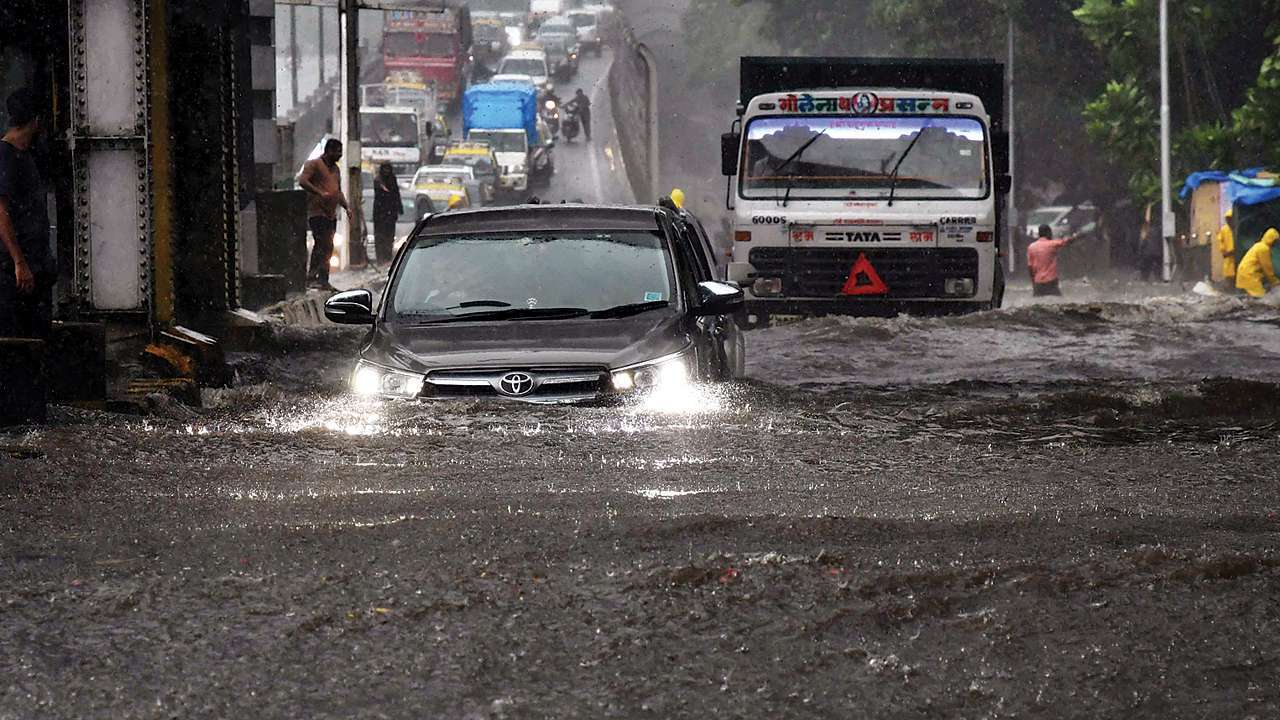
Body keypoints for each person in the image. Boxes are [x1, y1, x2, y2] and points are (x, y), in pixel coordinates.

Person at [0, 88, 52, 339]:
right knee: (21, 340)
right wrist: (19, 262)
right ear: (36, 120)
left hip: (30, 265)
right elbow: (1, 212)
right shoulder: (7, 156)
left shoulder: (22, 156)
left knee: (32, 337)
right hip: (17, 270)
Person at [297, 139, 350, 291]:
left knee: (329, 245)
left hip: (330, 214)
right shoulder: (313, 164)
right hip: (316, 211)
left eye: (340, 152)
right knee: (321, 243)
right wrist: (319, 192)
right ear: (328, 151)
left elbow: (337, 191)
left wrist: (346, 207)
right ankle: (312, 277)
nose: (339, 155)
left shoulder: (336, 170)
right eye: (337, 152)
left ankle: (323, 279)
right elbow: (303, 181)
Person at [1027, 224, 1075, 297]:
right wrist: (1078, 236)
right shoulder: (1052, 244)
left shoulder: (1031, 247)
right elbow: (1067, 241)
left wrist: (1034, 283)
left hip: (1038, 283)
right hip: (1051, 281)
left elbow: (1030, 267)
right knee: (1059, 303)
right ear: (1048, 233)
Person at [1235, 228, 1280, 298]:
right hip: (1250, 276)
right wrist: (1275, 282)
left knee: (1249, 298)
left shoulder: (1258, 245)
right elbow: (1267, 268)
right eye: (1276, 241)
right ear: (1272, 240)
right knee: (1261, 298)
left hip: (1243, 274)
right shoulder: (1264, 249)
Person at [372, 163, 402, 266]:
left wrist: (398, 208)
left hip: (390, 215)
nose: (386, 171)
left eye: (388, 169)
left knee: (389, 238)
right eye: (384, 169)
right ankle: (381, 259)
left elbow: (396, 194)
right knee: (380, 238)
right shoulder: (378, 181)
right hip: (380, 215)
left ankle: (387, 258)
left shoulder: (392, 180)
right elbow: (380, 197)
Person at [1217, 208, 1237, 283]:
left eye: (1230, 218)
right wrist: (1224, 251)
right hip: (1228, 255)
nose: (1229, 220)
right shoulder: (1224, 229)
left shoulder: (1237, 228)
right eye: (1227, 219)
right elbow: (1220, 241)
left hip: (1236, 255)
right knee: (1229, 273)